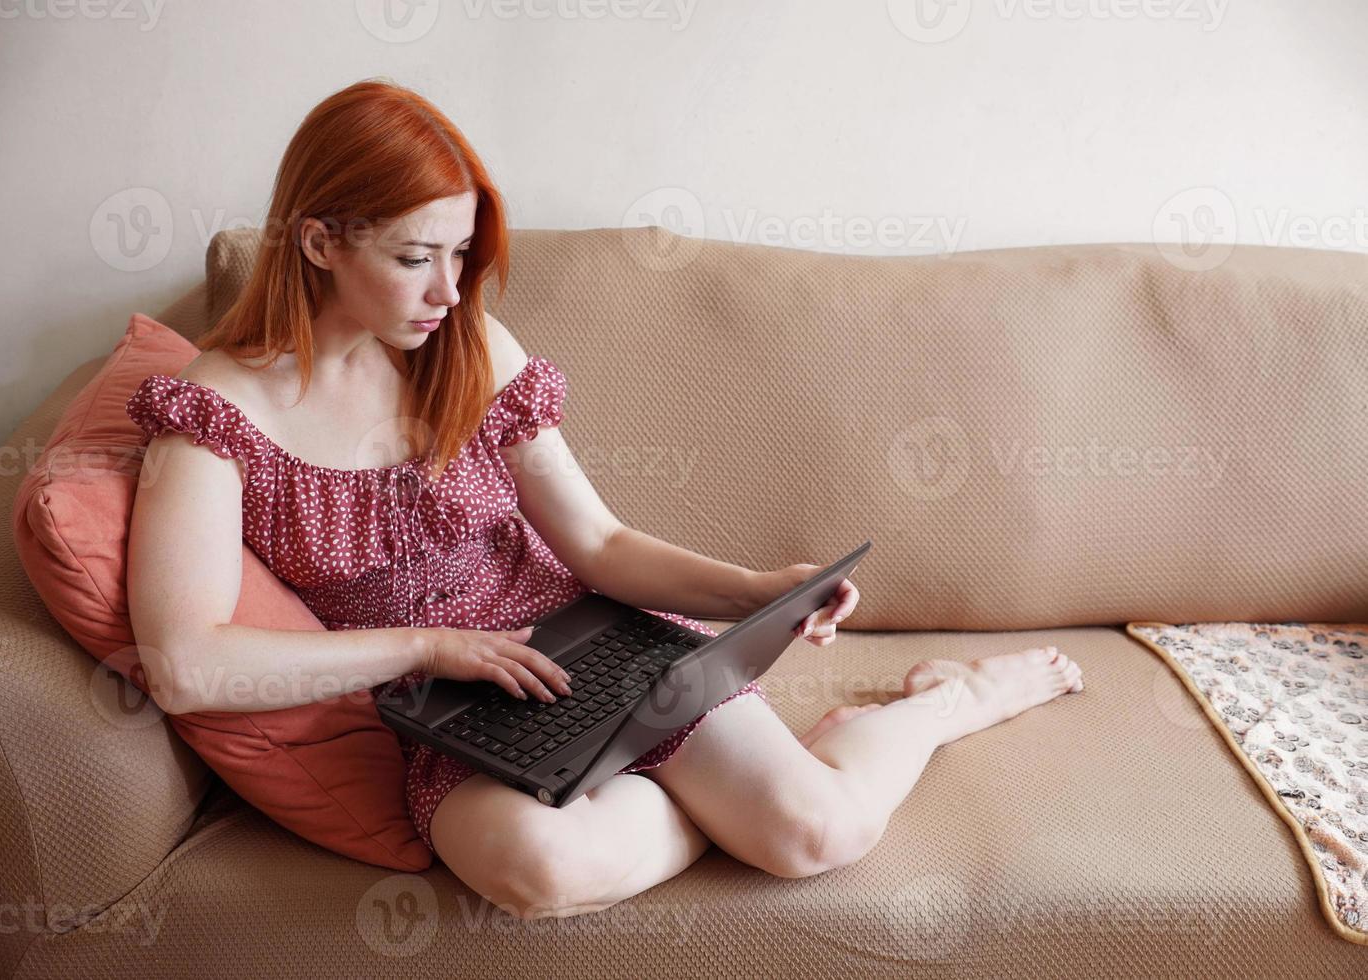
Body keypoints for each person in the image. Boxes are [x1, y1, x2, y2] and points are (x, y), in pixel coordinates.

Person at [125, 77, 1084, 922]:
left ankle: (942, 705)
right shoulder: (211, 418)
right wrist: (427, 647)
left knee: (816, 834)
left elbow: (597, 543)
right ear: (320, 241)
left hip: (590, 637)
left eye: (461, 255)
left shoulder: (468, 347)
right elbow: (186, 665)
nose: (451, 292)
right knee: (537, 869)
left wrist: (753, 587)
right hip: (447, 704)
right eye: (418, 257)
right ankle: (756, 777)